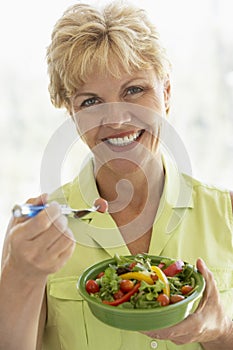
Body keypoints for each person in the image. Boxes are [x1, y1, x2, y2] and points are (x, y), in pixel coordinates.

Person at [0, 1, 233, 349]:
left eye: (134, 90)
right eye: (91, 102)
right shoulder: (35, 238)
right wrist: (21, 275)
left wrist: (221, 331)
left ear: (166, 93)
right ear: (71, 114)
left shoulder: (226, 213)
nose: (117, 121)